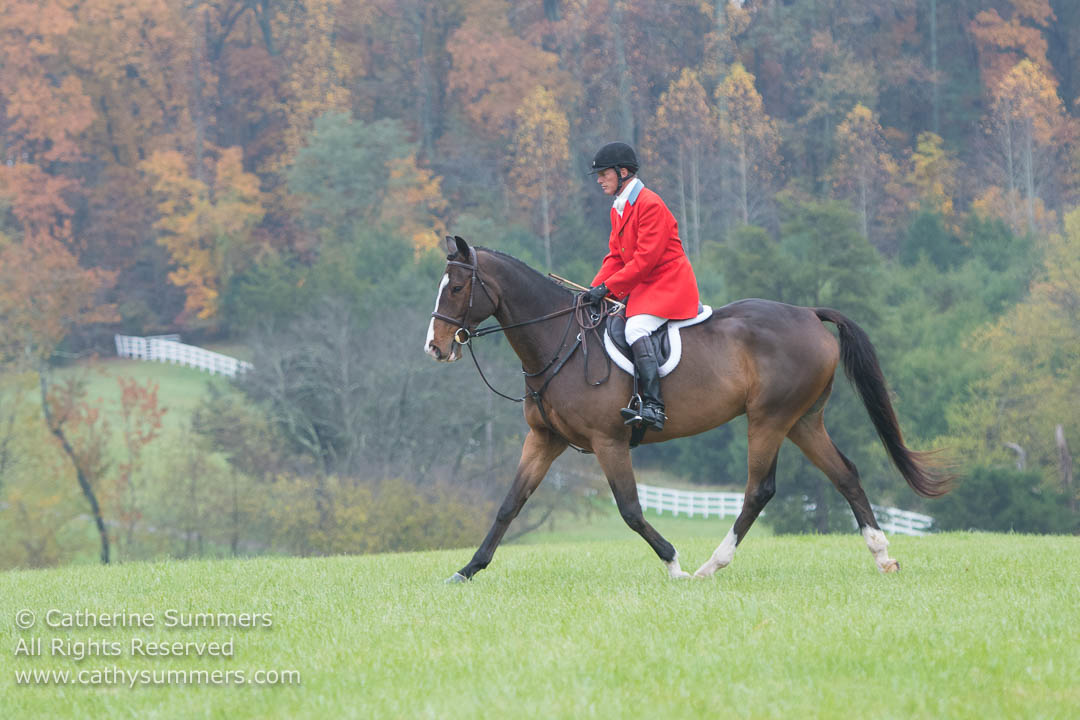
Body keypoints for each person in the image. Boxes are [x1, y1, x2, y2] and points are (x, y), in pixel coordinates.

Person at [585, 141, 700, 432]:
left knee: (635, 328)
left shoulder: (650, 204)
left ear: (622, 172)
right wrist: (593, 290)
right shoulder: (619, 208)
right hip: (643, 284)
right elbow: (615, 257)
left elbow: (645, 261)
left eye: (604, 174)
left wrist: (608, 288)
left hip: (668, 284)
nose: (599, 180)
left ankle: (654, 406)